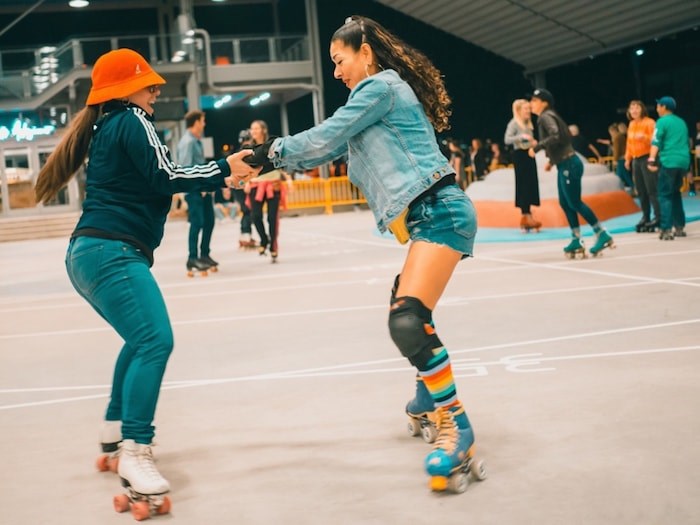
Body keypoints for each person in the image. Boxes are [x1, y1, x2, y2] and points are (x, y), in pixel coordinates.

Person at [249, 15, 485, 492]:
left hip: (441, 212)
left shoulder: (378, 89)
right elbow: (319, 152)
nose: (336, 72)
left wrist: (265, 153)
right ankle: (427, 396)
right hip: (429, 215)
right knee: (405, 304)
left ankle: (456, 425)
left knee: (407, 319)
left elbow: (322, 138)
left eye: (340, 61)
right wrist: (259, 164)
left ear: (366, 54)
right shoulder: (374, 99)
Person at [33, 49, 257, 509]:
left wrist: (221, 178)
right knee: (156, 340)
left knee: (139, 340)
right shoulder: (131, 119)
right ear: (124, 89)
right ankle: (137, 450)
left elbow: (158, 179)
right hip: (111, 251)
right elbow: (165, 175)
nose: (157, 91)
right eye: (148, 84)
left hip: (89, 253)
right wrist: (223, 168)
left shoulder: (106, 126)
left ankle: (114, 433)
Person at [528, 88, 614, 257]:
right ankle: (576, 238)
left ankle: (601, 233)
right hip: (565, 163)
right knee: (566, 203)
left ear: (543, 103)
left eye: (534, 100)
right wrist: (552, 161)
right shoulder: (552, 115)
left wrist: (536, 148)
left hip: (569, 164)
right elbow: (564, 138)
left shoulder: (545, 117)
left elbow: (556, 135)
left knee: (574, 202)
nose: (531, 104)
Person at [178, 110, 218, 273]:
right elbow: (186, 167)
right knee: (197, 223)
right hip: (194, 190)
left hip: (203, 189)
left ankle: (204, 254)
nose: (204, 124)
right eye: (202, 121)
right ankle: (192, 258)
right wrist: (197, 187)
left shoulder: (196, 141)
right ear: (195, 122)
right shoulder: (187, 142)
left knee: (209, 221)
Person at [247, 119, 291, 262]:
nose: (253, 131)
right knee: (255, 216)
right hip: (255, 185)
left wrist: (287, 179)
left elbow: (281, 161)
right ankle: (263, 239)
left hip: (273, 184)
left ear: (263, 130)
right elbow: (245, 167)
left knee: (273, 218)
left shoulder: (272, 144)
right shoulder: (248, 147)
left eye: (256, 128)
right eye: (252, 129)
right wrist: (245, 182)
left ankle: (273, 246)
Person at [647, 96, 690, 240]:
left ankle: (665, 229)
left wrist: (651, 160)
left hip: (669, 161)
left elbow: (656, 141)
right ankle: (679, 227)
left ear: (664, 107)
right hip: (683, 162)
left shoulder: (661, 121)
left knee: (664, 195)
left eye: (658, 105)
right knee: (675, 193)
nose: (657, 108)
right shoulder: (681, 122)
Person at [504, 99, 541, 231]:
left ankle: (527, 215)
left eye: (528, 109)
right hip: (520, 156)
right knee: (523, 185)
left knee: (531, 184)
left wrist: (534, 143)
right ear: (519, 110)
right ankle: (526, 216)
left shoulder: (528, 124)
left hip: (529, 154)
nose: (528, 111)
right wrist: (521, 137)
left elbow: (529, 140)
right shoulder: (514, 123)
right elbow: (507, 139)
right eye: (525, 109)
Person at [624, 100, 659, 232]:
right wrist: (627, 159)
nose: (634, 110)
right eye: (631, 108)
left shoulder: (649, 122)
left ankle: (658, 216)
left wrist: (644, 137)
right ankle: (646, 216)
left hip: (647, 157)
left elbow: (656, 140)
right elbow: (629, 143)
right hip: (636, 160)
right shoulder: (632, 124)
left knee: (652, 189)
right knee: (641, 191)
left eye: (637, 108)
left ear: (642, 109)